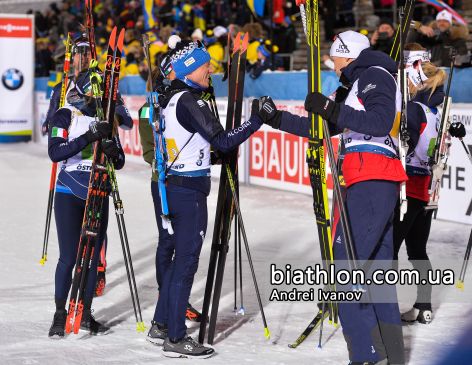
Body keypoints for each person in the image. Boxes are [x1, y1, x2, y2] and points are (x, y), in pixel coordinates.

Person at [251, 31, 407, 365]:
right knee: (375, 272)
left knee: (344, 271)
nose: (333, 66)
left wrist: (331, 108)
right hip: (369, 179)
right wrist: (275, 118)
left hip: (371, 178)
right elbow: (321, 127)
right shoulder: (353, 85)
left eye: (334, 59)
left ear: (347, 54)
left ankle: (365, 355)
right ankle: (391, 354)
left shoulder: (374, 75)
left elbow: (380, 122)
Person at [145, 36, 262, 359]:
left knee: (176, 261)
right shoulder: (187, 100)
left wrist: (209, 159)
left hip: (177, 185)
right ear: (189, 69)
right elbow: (222, 139)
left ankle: (161, 325)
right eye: (204, 65)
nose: (210, 69)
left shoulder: (172, 98)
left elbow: (189, 147)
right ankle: (176, 338)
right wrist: (257, 119)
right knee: (185, 263)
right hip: (187, 192)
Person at [43, 36, 134, 297]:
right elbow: (49, 123)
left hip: (98, 173)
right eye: (76, 54)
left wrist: (105, 113)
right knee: (69, 252)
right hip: (71, 169)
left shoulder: (105, 86)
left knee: (94, 239)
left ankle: (98, 273)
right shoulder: (61, 86)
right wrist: (65, 123)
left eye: (85, 54)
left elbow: (126, 122)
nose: (79, 59)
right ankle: (62, 311)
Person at [47, 70, 125, 339]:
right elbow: (55, 152)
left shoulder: (107, 116)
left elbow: (120, 160)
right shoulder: (65, 114)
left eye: (101, 93)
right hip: (68, 191)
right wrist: (88, 137)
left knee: (92, 260)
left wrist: (114, 154)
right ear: (82, 90)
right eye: (94, 92)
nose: (98, 97)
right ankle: (60, 313)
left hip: (98, 192)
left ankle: (85, 310)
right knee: (68, 258)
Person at [393, 43, 467, 324]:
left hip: (409, 187)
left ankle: (383, 310)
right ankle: (423, 306)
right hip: (427, 190)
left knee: (390, 248)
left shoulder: (415, 109)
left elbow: (406, 146)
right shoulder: (438, 109)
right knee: (417, 249)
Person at [138, 51, 205, 334]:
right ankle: (166, 300)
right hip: (164, 182)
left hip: (180, 180)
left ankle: (171, 303)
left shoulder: (177, 100)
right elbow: (149, 150)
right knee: (169, 244)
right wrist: (165, 160)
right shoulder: (149, 108)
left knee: (178, 248)